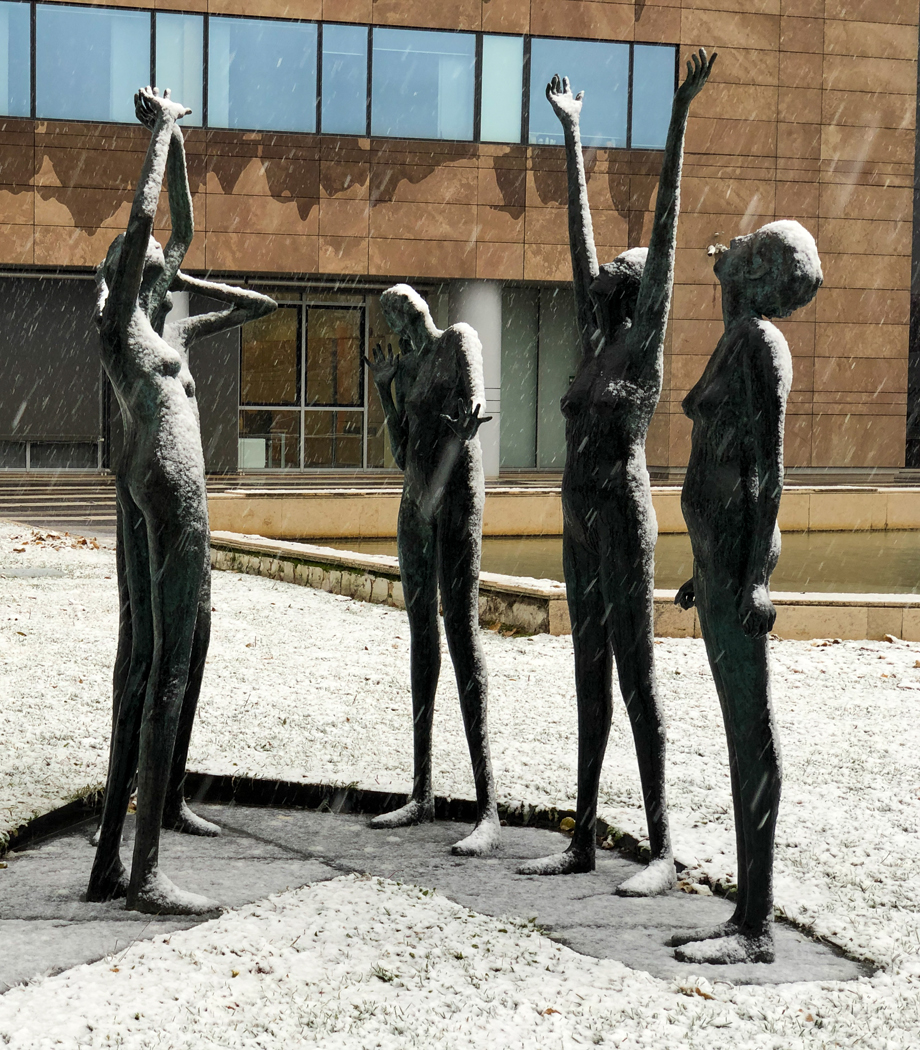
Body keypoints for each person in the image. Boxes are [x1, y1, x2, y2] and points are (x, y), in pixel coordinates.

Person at [518, 50, 715, 896]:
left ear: (636, 290)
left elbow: (665, 233)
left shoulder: (643, 344)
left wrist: (679, 117)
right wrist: (571, 134)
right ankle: (586, 836)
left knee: (636, 678)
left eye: (612, 274)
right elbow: (580, 238)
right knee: (587, 675)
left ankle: (663, 846)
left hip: (624, 516)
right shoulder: (597, 344)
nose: (597, 276)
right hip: (578, 518)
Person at [88, 86, 274, 913]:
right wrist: (160, 135)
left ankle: (113, 859)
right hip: (170, 488)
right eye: (151, 270)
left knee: (158, 655)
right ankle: (146, 871)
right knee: (161, 666)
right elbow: (144, 224)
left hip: (156, 484)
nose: (163, 270)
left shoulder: (162, 332)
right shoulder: (121, 327)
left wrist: (182, 148)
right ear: (129, 277)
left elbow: (190, 238)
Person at [670, 220, 822, 964]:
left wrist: (754, 574)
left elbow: (769, 464)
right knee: (739, 731)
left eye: (751, 251)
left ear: (763, 273)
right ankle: (745, 914)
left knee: (750, 731)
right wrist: (702, 567)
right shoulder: (740, 337)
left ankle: (754, 925)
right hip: (719, 559)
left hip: (738, 561)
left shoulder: (761, 345)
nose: (734, 252)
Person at [364, 285, 499, 855]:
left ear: (419, 309)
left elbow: (473, 412)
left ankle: (487, 808)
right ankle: (421, 792)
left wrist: (469, 423)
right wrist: (385, 391)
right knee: (422, 636)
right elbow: (402, 452)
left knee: (461, 632)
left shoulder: (459, 341)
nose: (402, 326)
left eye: (404, 312)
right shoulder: (409, 366)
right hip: (415, 504)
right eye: (393, 319)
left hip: (457, 497)